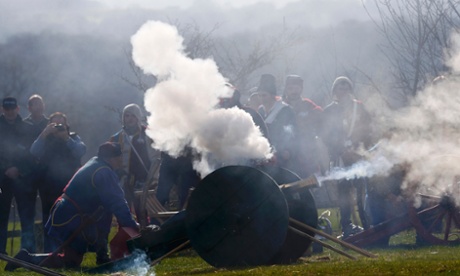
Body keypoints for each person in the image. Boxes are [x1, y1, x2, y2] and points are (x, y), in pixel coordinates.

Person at [4, 142, 139, 270]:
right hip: (71, 216)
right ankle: (26, 258)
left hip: (71, 213)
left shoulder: (97, 164)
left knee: (73, 258)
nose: (121, 160)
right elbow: (116, 201)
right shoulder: (103, 171)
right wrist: (131, 224)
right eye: (119, 157)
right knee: (71, 261)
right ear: (112, 158)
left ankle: (102, 256)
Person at [319, 76, 373, 238]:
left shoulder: (360, 109)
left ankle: (367, 225)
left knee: (361, 190)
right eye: (340, 88)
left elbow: (367, 130)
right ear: (334, 91)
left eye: (346, 87)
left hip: (358, 155)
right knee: (343, 193)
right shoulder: (328, 111)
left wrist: (358, 149)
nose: (343, 91)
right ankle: (346, 226)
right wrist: (340, 150)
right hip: (339, 156)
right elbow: (326, 135)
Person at [30, 112, 86, 252]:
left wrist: (66, 138)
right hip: (47, 185)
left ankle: (70, 250)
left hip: (69, 184)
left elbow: (80, 151)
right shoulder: (45, 139)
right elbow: (34, 151)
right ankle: (50, 251)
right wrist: (44, 133)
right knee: (48, 217)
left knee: (69, 216)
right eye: (55, 124)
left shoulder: (73, 138)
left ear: (67, 125)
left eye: (61, 124)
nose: (58, 127)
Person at [109, 103, 161, 222]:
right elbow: (111, 160)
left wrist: (153, 179)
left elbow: (156, 158)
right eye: (127, 116)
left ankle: (146, 235)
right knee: (124, 212)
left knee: (143, 212)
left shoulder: (149, 134)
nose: (130, 119)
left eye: (133, 116)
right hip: (124, 181)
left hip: (144, 181)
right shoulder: (117, 138)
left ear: (138, 117)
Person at [0, 97, 36, 254]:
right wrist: (6, 169)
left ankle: (27, 250)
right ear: (3, 109)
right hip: (2, 178)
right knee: (1, 216)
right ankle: (1, 251)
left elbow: (33, 154)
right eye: (6, 109)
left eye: (12, 109)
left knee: (26, 216)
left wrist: (19, 169)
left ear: (17, 109)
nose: (9, 112)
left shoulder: (28, 128)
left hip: (23, 178)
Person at [282, 75, 324, 178]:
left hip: (307, 152)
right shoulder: (281, 106)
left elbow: (322, 121)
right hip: (287, 152)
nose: (293, 91)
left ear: (301, 89)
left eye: (296, 88)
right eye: (290, 88)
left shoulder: (308, 105)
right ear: (286, 89)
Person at [257, 73, 299, 173]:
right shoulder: (261, 111)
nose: (262, 98)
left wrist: (288, 151)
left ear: (272, 96)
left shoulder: (285, 110)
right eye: (260, 95)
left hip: (282, 156)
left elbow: (293, 133)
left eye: (264, 95)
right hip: (264, 154)